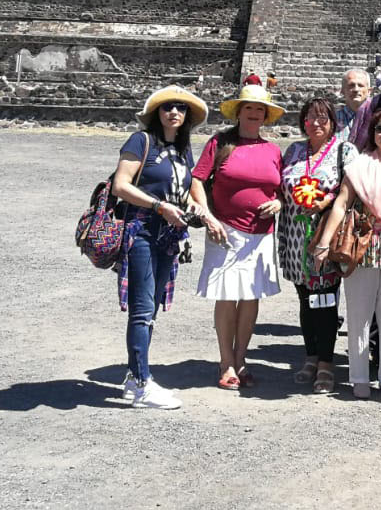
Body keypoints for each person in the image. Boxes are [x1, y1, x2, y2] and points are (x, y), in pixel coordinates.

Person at [312, 109, 381, 399]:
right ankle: (359, 375)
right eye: (380, 129)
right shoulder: (359, 166)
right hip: (363, 244)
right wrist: (324, 242)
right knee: (359, 314)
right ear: (372, 133)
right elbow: (341, 204)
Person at [110, 85, 207, 409]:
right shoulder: (141, 141)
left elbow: (187, 191)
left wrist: (193, 207)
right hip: (142, 230)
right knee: (141, 309)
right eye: (167, 108)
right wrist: (158, 206)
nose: (174, 112)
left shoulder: (183, 150)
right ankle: (141, 383)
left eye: (180, 108)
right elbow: (120, 185)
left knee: (149, 309)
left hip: (168, 235)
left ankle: (133, 377)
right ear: (157, 113)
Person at [190, 85, 285, 390]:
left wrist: (279, 203)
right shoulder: (220, 143)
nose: (254, 113)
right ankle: (225, 361)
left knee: (250, 296)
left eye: (260, 109)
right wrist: (208, 217)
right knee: (227, 296)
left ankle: (241, 359)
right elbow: (196, 181)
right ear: (240, 111)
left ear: (266, 115)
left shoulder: (272, 150)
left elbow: (279, 189)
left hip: (261, 234)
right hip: (225, 230)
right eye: (249, 108)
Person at [277, 96, 354, 395]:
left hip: (325, 235)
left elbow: (352, 190)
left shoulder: (344, 150)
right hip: (294, 236)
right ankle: (310, 355)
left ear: (333, 122)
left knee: (325, 302)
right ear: (303, 122)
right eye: (311, 118)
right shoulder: (295, 150)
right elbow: (280, 186)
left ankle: (326, 362)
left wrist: (325, 200)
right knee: (305, 300)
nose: (317, 123)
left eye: (323, 118)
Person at [336, 68, 372, 143]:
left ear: (369, 91)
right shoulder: (332, 120)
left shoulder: (378, 119)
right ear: (342, 91)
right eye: (351, 85)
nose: (356, 89)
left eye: (360, 85)